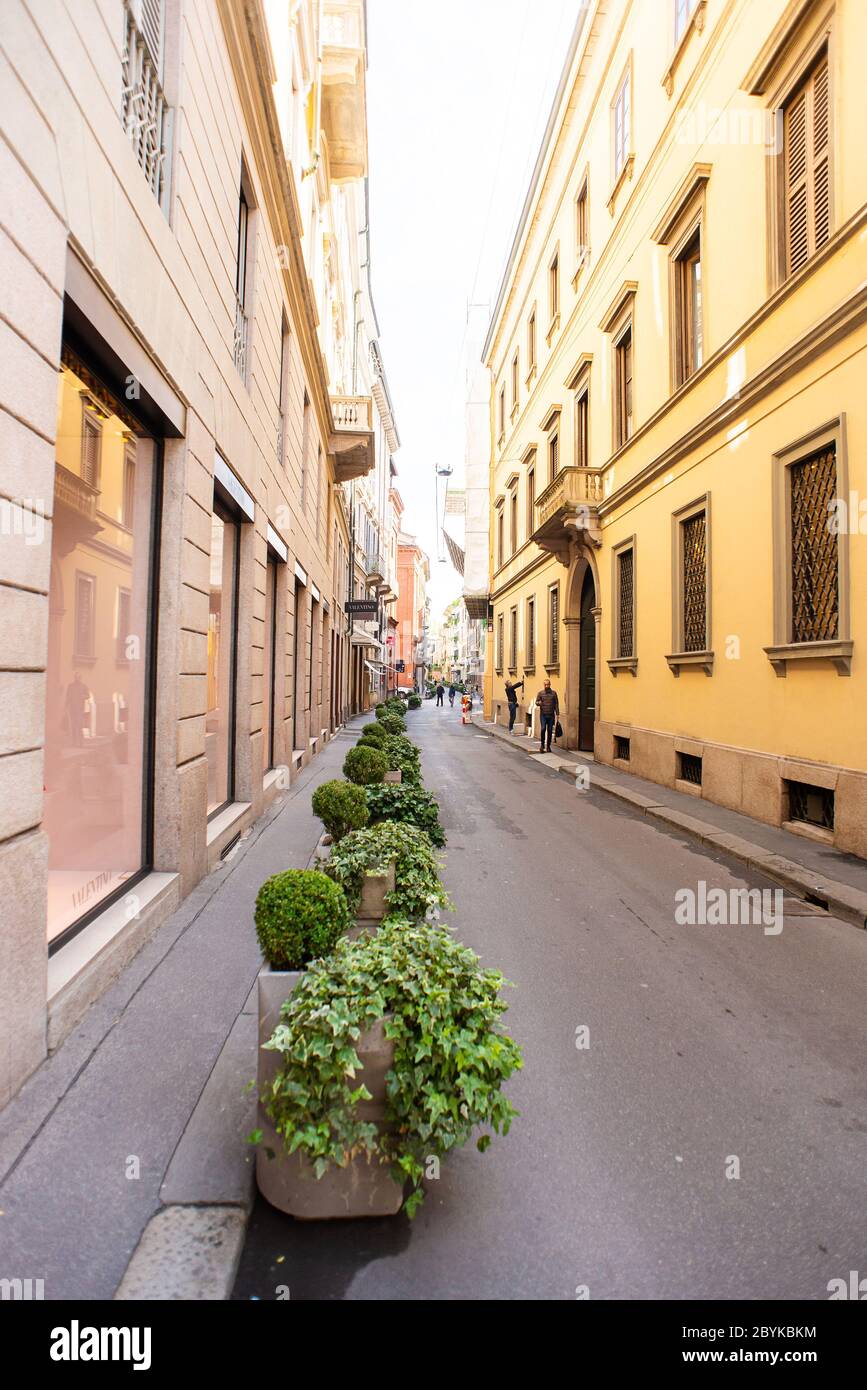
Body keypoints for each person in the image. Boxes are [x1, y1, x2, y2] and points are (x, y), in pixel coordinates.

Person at [535, 678, 560, 753]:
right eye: (545, 684)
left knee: (549, 730)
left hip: (551, 715)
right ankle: (542, 745)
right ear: (544, 685)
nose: (546, 686)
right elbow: (536, 702)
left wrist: (557, 714)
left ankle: (548, 746)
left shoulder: (554, 693)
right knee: (543, 729)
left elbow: (556, 704)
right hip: (543, 715)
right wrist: (540, 703)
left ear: (550, 684)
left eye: (547, 684)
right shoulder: (540, 693)